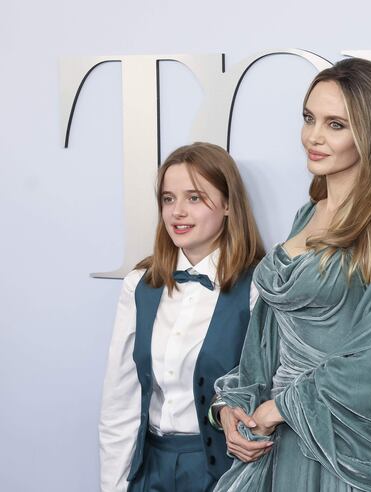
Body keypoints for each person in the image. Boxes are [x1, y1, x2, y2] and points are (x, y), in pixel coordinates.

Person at [211, 58, 371, 491]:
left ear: (370, 133)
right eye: (309, 118)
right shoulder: (308, 214)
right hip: (277, 440)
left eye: (335, 124)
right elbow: (267, 336)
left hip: (344, 448)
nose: (313, 137)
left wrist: (275, 410)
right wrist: (235, 407)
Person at [99, 142, 267, 492]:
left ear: (227, 205)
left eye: (194, 198)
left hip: (224, 472)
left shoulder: (256, 288)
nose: (177, 212)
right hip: (149, 470)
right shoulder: (138, 286)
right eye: (168, 198)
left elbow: (264, 388)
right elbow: (121, 404)